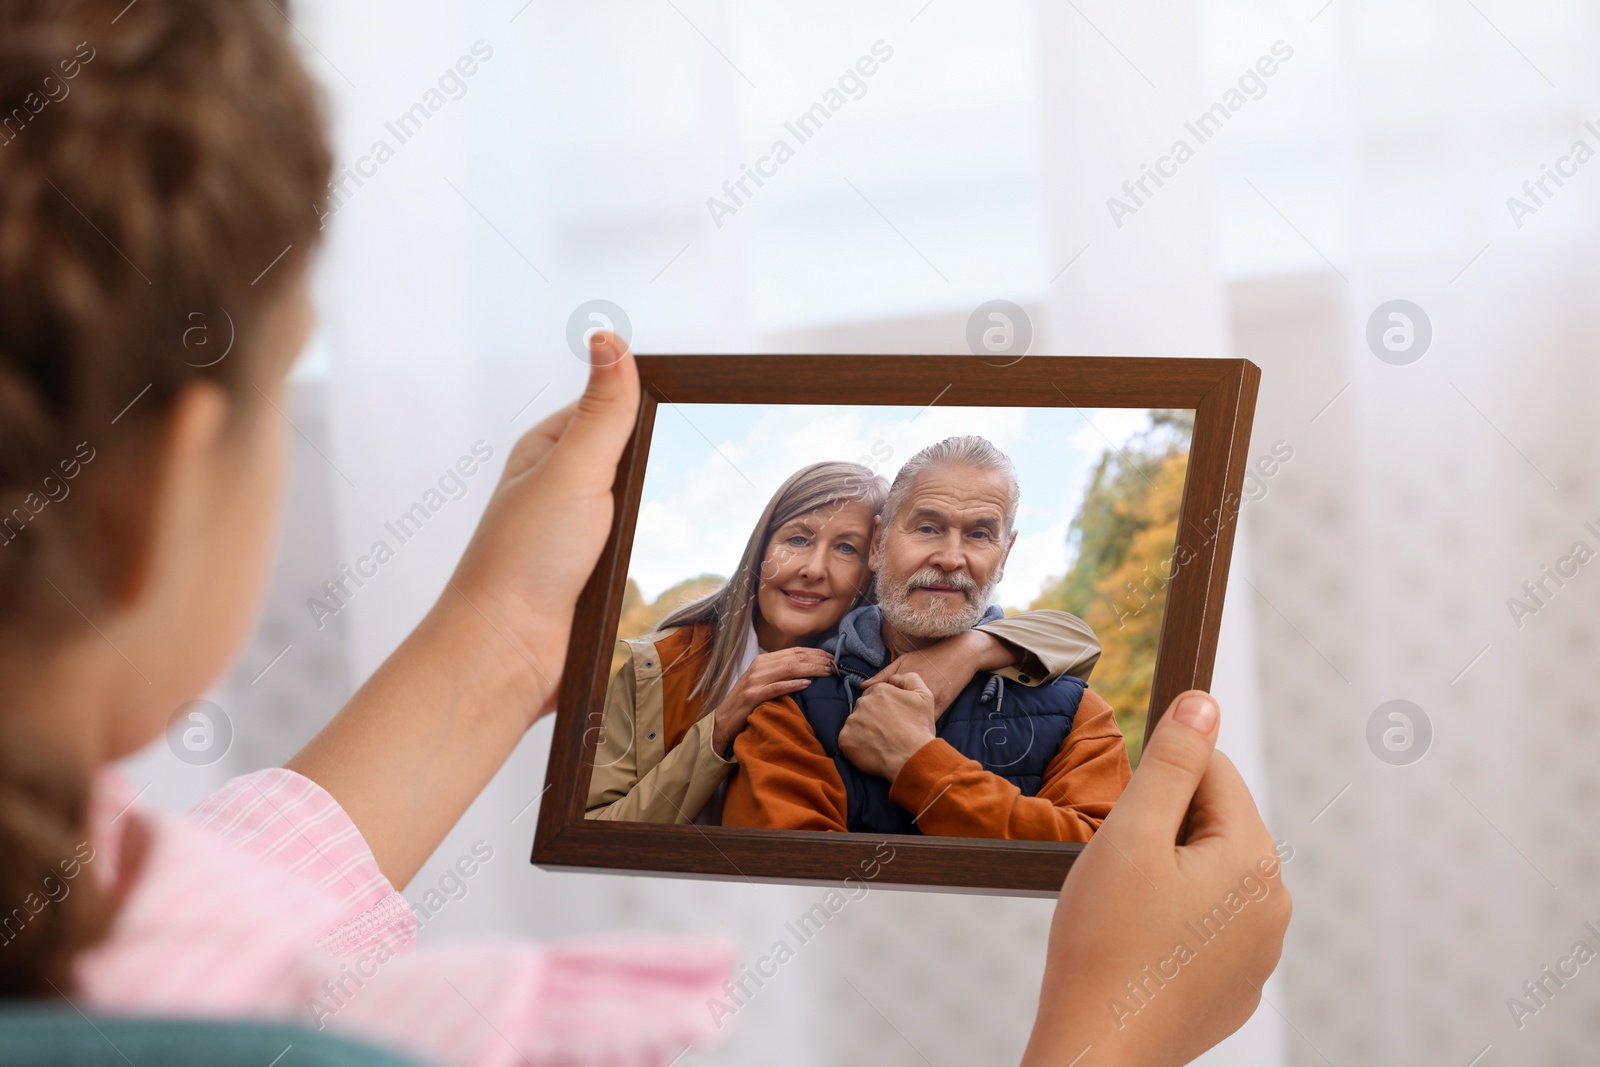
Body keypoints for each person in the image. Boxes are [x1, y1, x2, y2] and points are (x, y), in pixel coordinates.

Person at [0, 1, 1288, 1063]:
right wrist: (1108, 1035)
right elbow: (814, 830)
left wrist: (505, 637)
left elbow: (205, 905)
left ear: (1007, 555)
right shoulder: (776, 692)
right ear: (147, 503)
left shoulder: (1060, 684)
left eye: (981, 536)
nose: (934, 558)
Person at [587, 459, 1105, 824]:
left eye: (845, 548)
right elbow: (593, 833)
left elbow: (1076, 638)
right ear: (760, 547)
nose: (813, 569)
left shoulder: (870, 649)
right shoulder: (662, 665)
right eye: (797, 539)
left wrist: (970, 651)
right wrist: (720, 727)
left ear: (873, 558)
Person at [723, 436, 1133, 839]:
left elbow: (1106, 866)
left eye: (978, 535)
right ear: (879, 545)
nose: (951, 558)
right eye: (927, 527)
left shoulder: (1080, 714)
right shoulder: (791, 704)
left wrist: (918, 764)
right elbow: (783, 884)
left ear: (1004, 556)